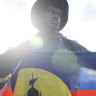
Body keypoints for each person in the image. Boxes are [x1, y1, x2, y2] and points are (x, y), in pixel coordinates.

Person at [0, 0, 89, 95]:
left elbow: (92, 64)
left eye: (59, 15)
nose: (56, 16)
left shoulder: (71, 47)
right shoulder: (25, 47)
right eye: (51, 12)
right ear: (40, 16)